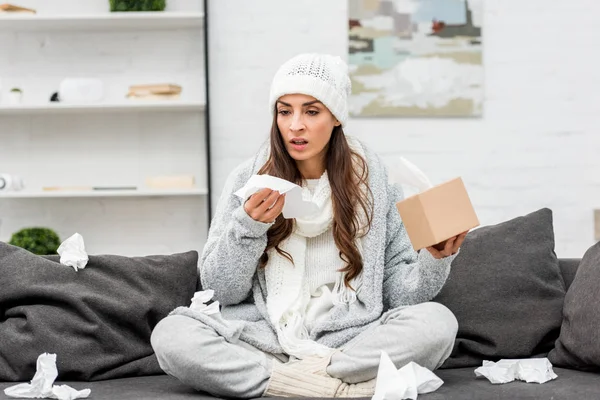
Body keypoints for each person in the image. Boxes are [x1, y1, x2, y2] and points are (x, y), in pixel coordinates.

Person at [151, 53, 467, 398]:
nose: (294, 125)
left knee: (438, 323)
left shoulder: (378, 184)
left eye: (311, 111)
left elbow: (397, 295)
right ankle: (334, 390)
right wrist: (249, 226)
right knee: (171, 334)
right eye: (284, 111)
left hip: (347, 343)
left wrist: (434, 260)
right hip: (265, 342)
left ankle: (289, 384)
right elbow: (221, 290)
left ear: (336, 118)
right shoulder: (247, 179)